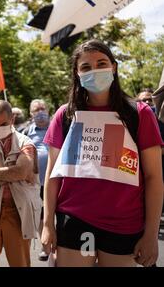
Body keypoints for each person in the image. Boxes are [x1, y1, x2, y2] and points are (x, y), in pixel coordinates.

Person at [41, 40, 163, 267]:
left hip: (124, 224)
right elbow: (52, 175)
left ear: (114, 67)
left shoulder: (140, 114)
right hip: (73, 221)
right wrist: (47, 223)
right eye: (86, 67)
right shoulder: (65, 116)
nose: (94, 70)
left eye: (101, 63)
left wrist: (151, 235)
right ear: (77, 74)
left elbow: (154, 178)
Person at [0, 100, 41, 267]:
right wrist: (11, 174)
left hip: (17, 214)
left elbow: (22, 172)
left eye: (3, 123)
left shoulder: (26, 143)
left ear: (12, 120)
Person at [24, 99, 50, 261]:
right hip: (36, 182)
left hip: (56, 180)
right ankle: (45, 246)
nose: (40, 112)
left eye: (42, 108)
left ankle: (61, 246)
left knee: (58, 213)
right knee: (41, 216)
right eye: (36, 110)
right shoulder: (26, 131)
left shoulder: (57, 127)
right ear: (31, 114)